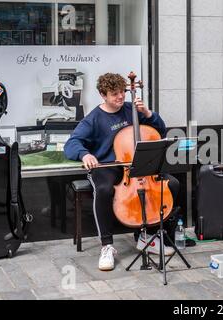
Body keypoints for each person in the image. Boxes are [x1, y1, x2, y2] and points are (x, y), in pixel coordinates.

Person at [64, 73, 178, 271]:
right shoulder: (93, 119)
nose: (120, 97)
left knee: (172, 184)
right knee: (104, 189)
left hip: (135, 163)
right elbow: (71, 144)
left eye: (122, 92)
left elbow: (160, 131)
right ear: (103, 95)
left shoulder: (132, 109)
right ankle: (107, 246)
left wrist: (148, 113)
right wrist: (84, 155)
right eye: (114, 94)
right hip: (107, 166)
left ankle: (147, 238)